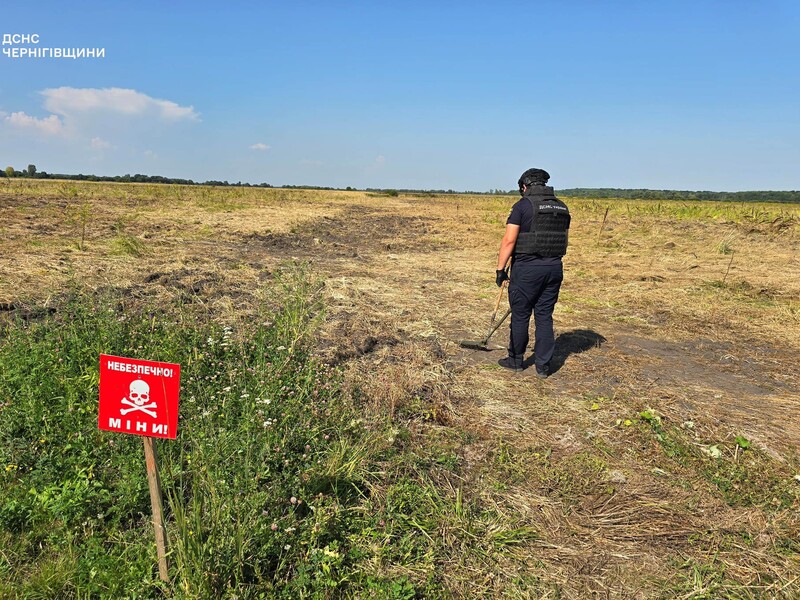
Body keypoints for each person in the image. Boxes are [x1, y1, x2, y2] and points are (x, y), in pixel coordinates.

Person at [495, 168, 570, 376]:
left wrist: (500, 270)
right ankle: (543, 367)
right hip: (554, 269)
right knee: (545, 315)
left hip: (527, 269)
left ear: (525, 186)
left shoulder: (522, 206)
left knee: (520, 315)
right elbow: (563, 240)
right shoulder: (562, 207)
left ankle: (515, 360)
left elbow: (509, 240)